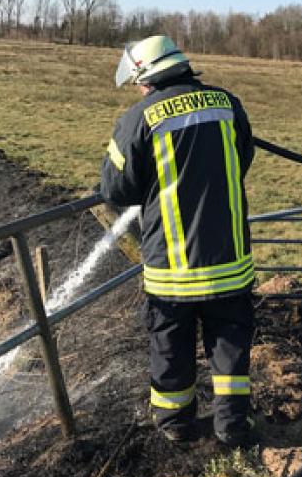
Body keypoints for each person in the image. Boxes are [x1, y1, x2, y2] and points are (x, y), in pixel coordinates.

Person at [97, 35, 256, 447]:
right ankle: (232, 427)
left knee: (170, 349)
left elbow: (114, 189)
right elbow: (243, 157)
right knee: (231, 350)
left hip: (172, 267)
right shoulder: (226, 104)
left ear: (146, 75)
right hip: (230, 260)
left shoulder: (140, 117)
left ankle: (176, 428)